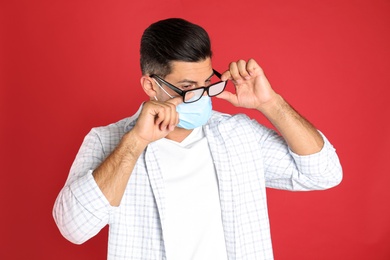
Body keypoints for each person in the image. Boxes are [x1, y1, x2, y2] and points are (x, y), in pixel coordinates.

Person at [53, 18, 342, 260]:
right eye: (188, 87)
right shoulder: (107, 141)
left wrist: (271, 104)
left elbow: (324, 173)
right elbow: (74, 229)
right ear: (150, 85)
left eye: (207, 84)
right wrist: (135, 142)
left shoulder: (239, 135)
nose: (202, 97)